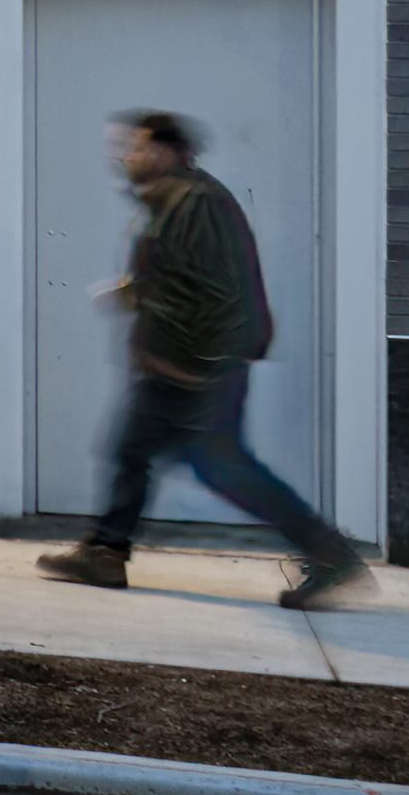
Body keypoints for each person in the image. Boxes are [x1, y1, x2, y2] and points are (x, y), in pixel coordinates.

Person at [45, 107, 367, 601]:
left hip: (198, 371)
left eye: (135, 146)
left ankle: (331, 555)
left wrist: (194, 367)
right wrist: (134, 295)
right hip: (173, 366)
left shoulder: (199, 204)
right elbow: (177, 279)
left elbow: (221, 295)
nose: (125, 156)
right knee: (131, 450)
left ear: (166, 151)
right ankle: (105, 552)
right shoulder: (169, 201)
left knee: (225, 470)